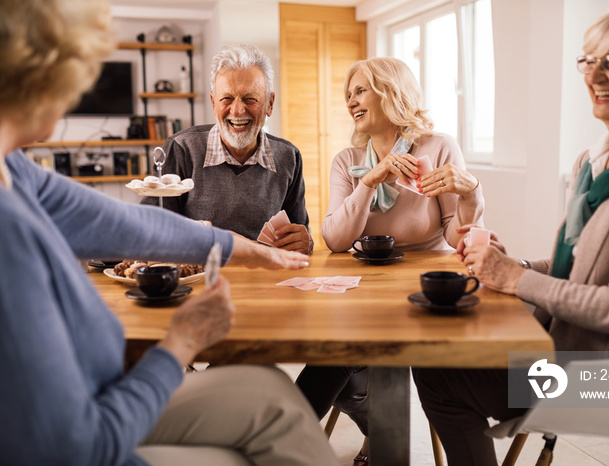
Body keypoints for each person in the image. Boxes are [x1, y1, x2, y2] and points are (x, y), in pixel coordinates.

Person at [0, 1, 341, 465]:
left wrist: (243, 249)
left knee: (270, 387)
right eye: (75, 77)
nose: (74, 97)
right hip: (97, 427)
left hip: (105, 389)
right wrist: (179, 343)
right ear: (34, 80)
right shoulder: (9, 230)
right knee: (258, 434)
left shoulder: (14, 168)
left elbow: (124, 222)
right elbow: (75, 445)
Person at [412, 2, 609, 464]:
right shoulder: (595, 161)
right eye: (589, 60)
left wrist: (516, 280)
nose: (595, 75)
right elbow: (582, 271)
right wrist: (515, 266)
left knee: (438, 371)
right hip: (574, 353)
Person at [295, 57, 485, 465]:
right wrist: (370, 180)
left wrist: (471, 194)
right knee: (334, 354)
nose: (351, 101)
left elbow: (457, 234)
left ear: (391, 92)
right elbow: (336, 239)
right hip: (366, 291)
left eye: (360, 90)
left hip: (428, 290)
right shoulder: (348, 161)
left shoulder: (438, 147)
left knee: (353, 364)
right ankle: (282, 437)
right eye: (349, 95)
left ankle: (308, 434)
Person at [141, 44, 312, 254]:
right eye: (226, 99)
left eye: (250, 99)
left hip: (264, 280)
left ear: (269, 103)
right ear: (214, 103)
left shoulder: (289, 157)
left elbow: (298, 238)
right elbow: (151, 231)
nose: (238, 110)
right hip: (200, 278)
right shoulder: (181, 149)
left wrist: (304, 242)